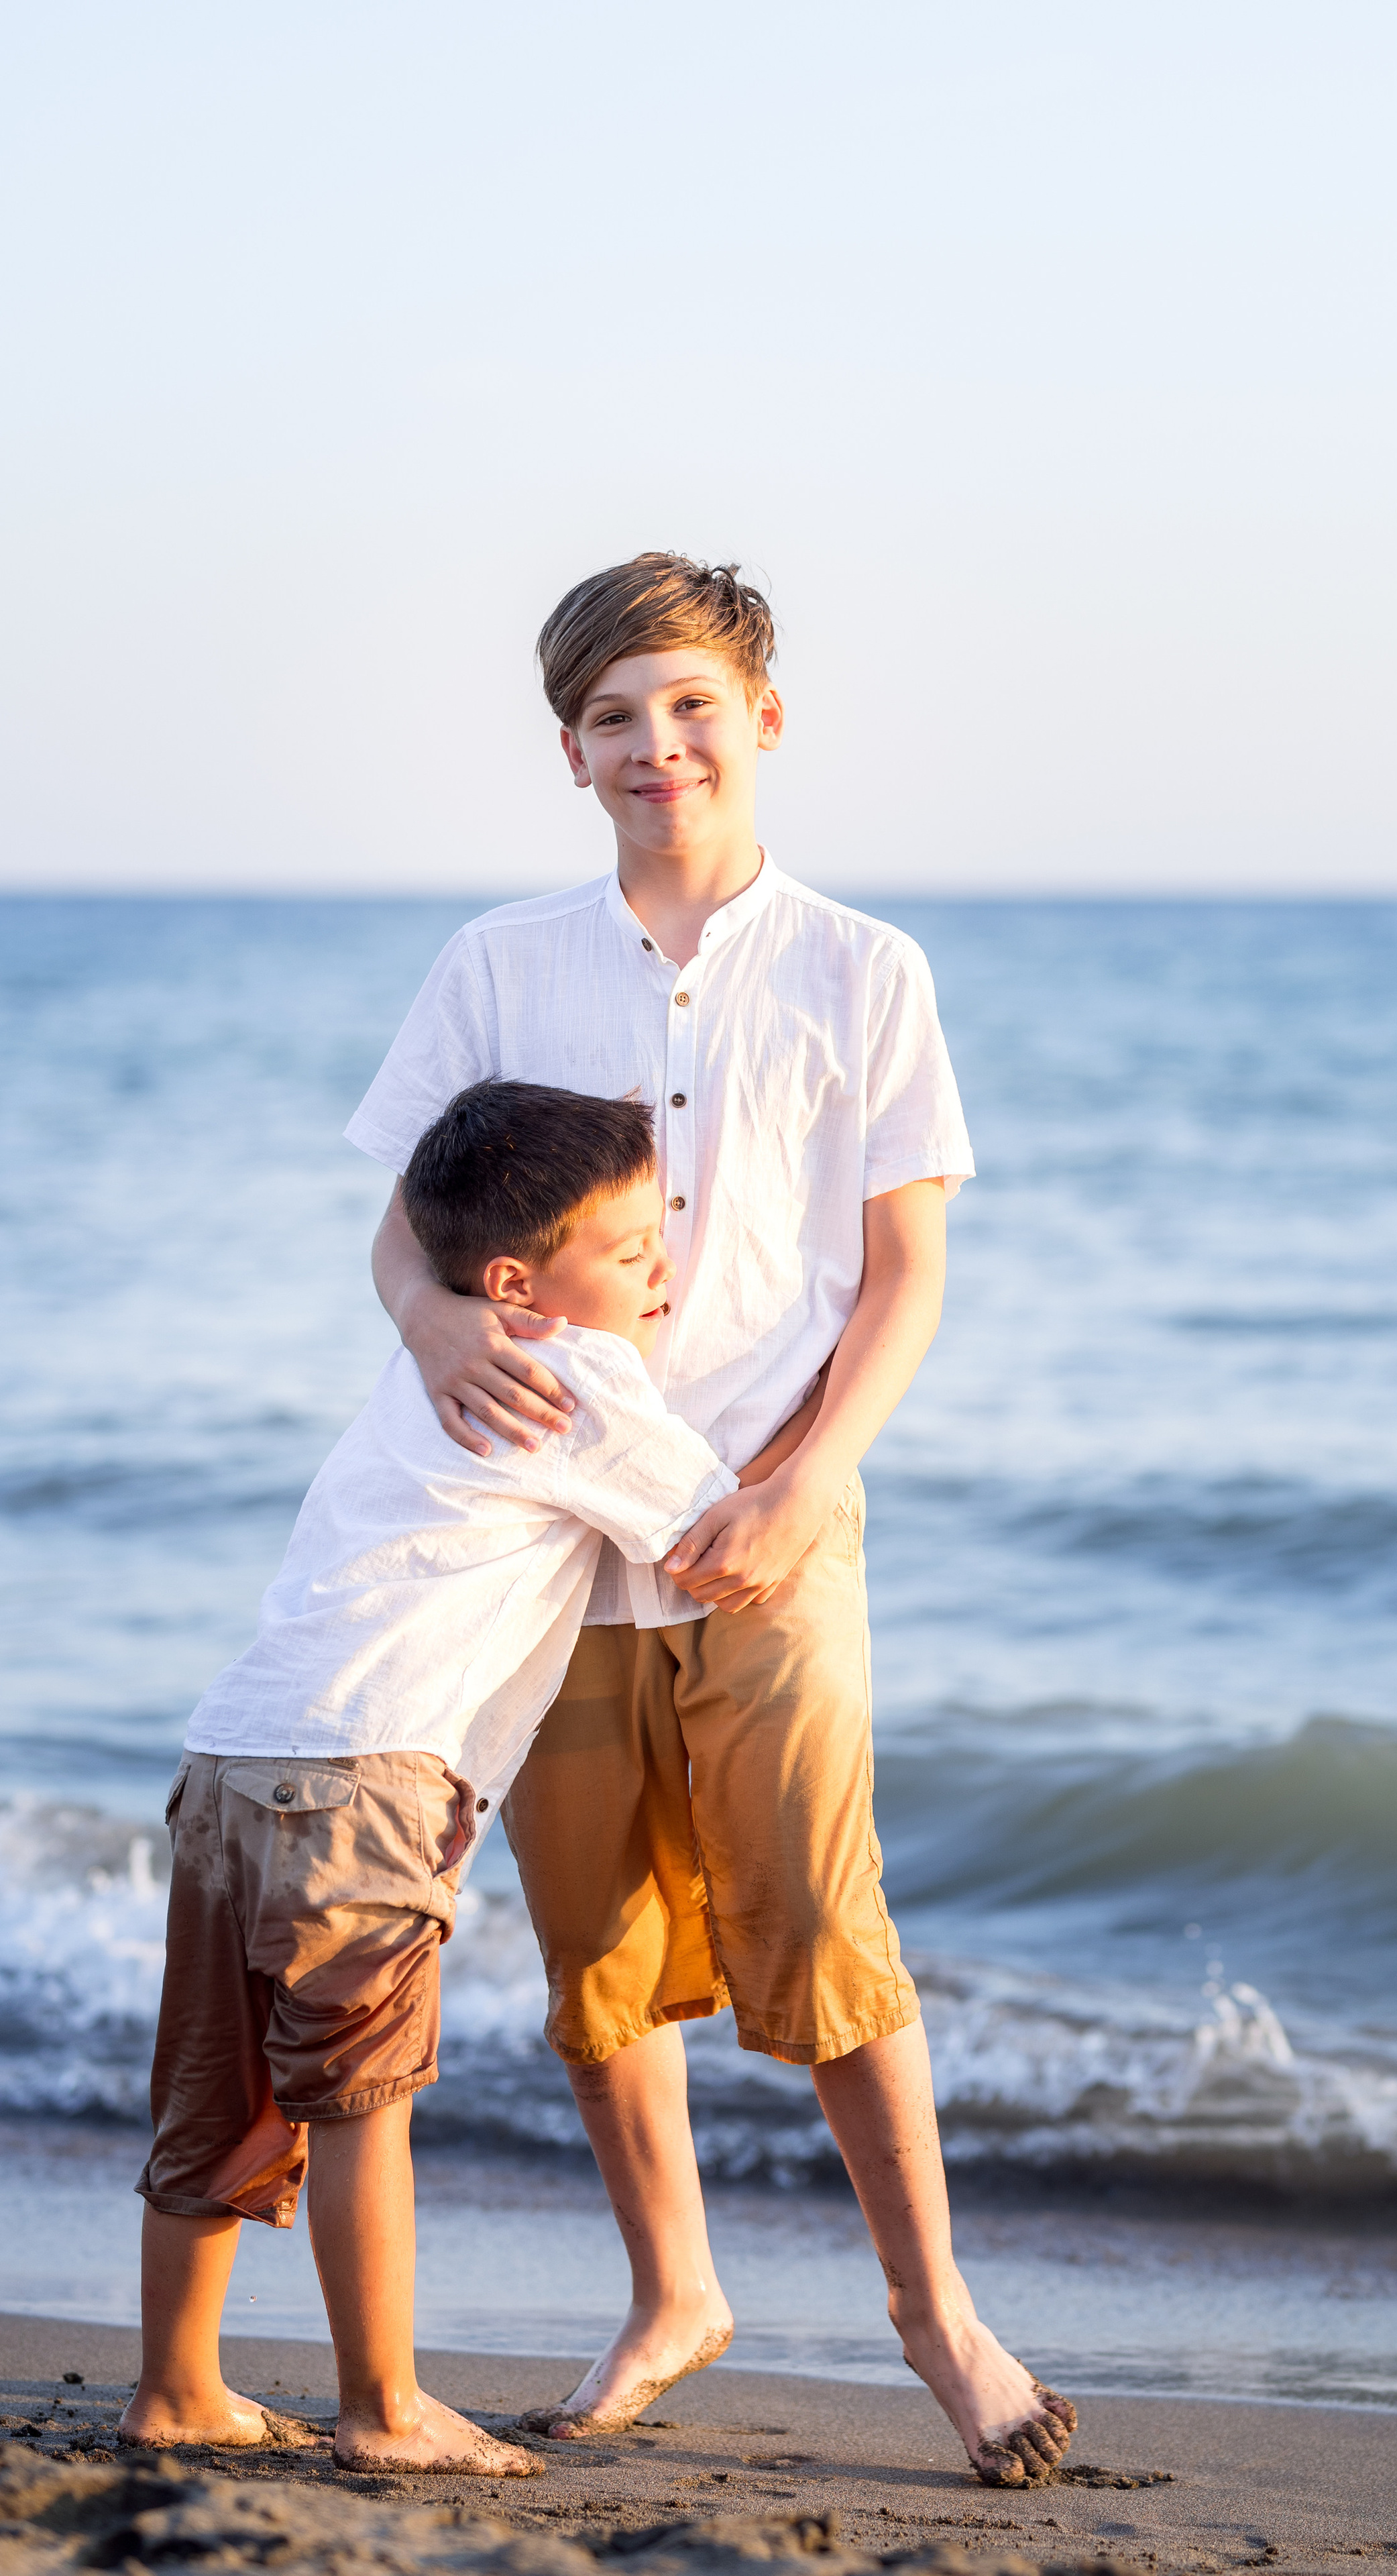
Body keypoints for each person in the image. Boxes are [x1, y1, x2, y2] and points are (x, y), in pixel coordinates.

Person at [345, 553, 1076, 2488]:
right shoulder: (501, 965)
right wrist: (430, 1322)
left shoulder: (864, 969)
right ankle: (674, 2290)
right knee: (595, 1938)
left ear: (762, 717)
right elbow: (406, 1237)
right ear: (569, 754)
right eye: (612, 719)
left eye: (688, 706)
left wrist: (808, 1479)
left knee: (824, 1917)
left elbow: (906, 1272)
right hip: (541, 1541)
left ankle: (937, 2315)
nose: (655, 746)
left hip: (772, 1508)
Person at [119, 1081, 819, 2475]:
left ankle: (178, 2388)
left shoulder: (432, 1360)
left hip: (230, 1756)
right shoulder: (580, 1377)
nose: (661, 1273)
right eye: (631, 1255)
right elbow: (717, 1542)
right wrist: (822, 1445)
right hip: (366, 1777)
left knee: (218, 2092)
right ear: (522, 1285)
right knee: (360, 2097)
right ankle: (384, 2410)